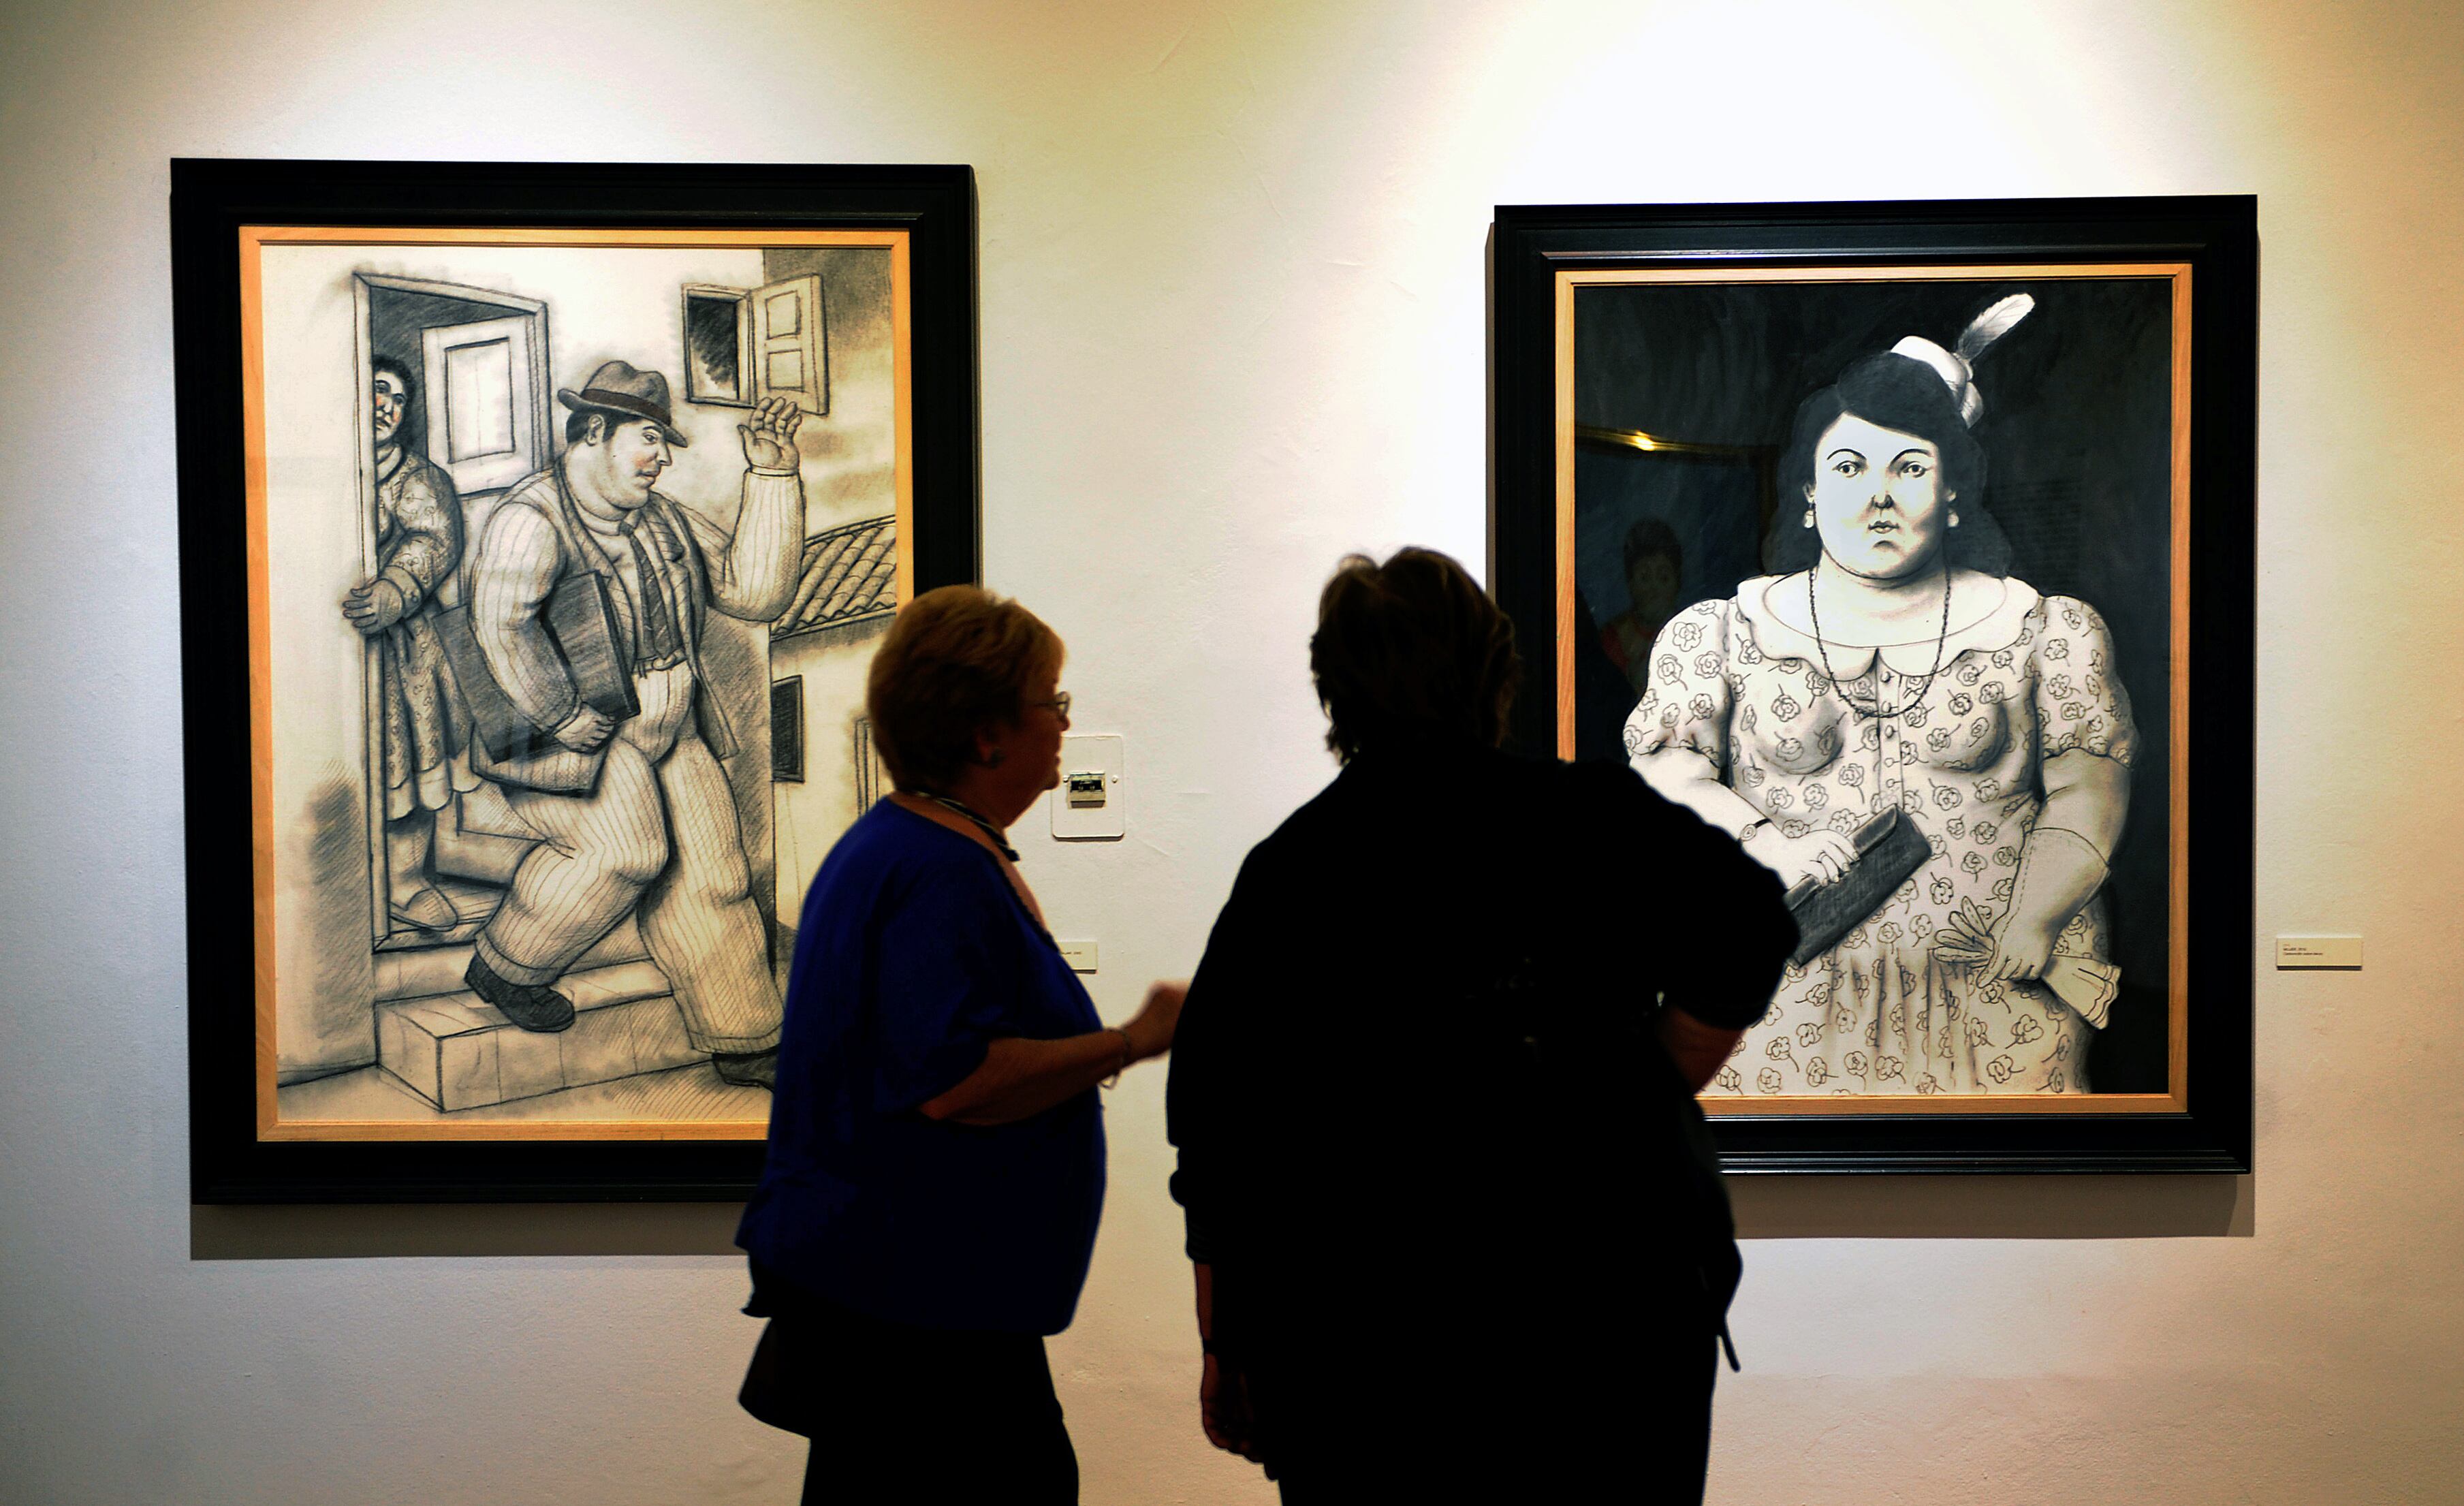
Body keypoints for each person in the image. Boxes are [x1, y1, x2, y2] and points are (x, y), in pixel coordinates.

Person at [1166, 548, 1795, 1502]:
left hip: (1367, 1345)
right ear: (1495, 673)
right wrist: (1655, 1077)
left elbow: (1219, 1137)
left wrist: (1225, 1345)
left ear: (1335, 691)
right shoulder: (1591, 818)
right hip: (1602, 1318)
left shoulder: (1290, 872)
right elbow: (1750, 927)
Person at [735, 585, 1186, 1505]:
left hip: (916, 1304)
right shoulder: (935, 871)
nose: (1064, 724)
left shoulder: (909, 848)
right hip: (920, 1319)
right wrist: (1131, 1039)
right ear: (988, 736)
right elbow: (954, 1080)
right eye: (1051, 702)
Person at [1628, 296, 2138, 1096]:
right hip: (1776, 1010)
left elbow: (2089, 791)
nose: (1879, 496)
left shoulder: (2046, 630)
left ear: (1955, 489)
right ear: (1807, 491)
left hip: (1994, 1002)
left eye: (1910, 468)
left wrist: (2038, 913)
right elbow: (1667, 777)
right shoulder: (1720, 633)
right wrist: (1767, 842)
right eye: (1848, 468)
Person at [456, 359, 802, 1087]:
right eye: (649, 439)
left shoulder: (663, 517)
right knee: (627, 850)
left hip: (670, 729)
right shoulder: (529, 519)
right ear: (594, 431)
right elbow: (501, 628)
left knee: (716, 874)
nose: (661, 459)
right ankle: (506, 965)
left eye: (663, 444)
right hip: (574, 737)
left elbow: (755, 593)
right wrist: (560, 713)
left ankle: (744, 1036)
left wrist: (773, 475)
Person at [343, 355, 469, 932]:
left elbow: (435, 539)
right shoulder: (330, 467)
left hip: (405, 649)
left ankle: (407, 881)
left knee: (411, 768)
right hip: (334, 649)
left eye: (397, 399)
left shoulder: (418, 477)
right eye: (377, 390)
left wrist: (396, 588)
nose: (386, 406)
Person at [1600, 516, 1685, 694]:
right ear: (1631, 583)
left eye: (1664, 578)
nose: (1654, 588)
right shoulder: (1613, 639)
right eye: (1645, 577)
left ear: (1677, 583)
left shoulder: (1690, 633)